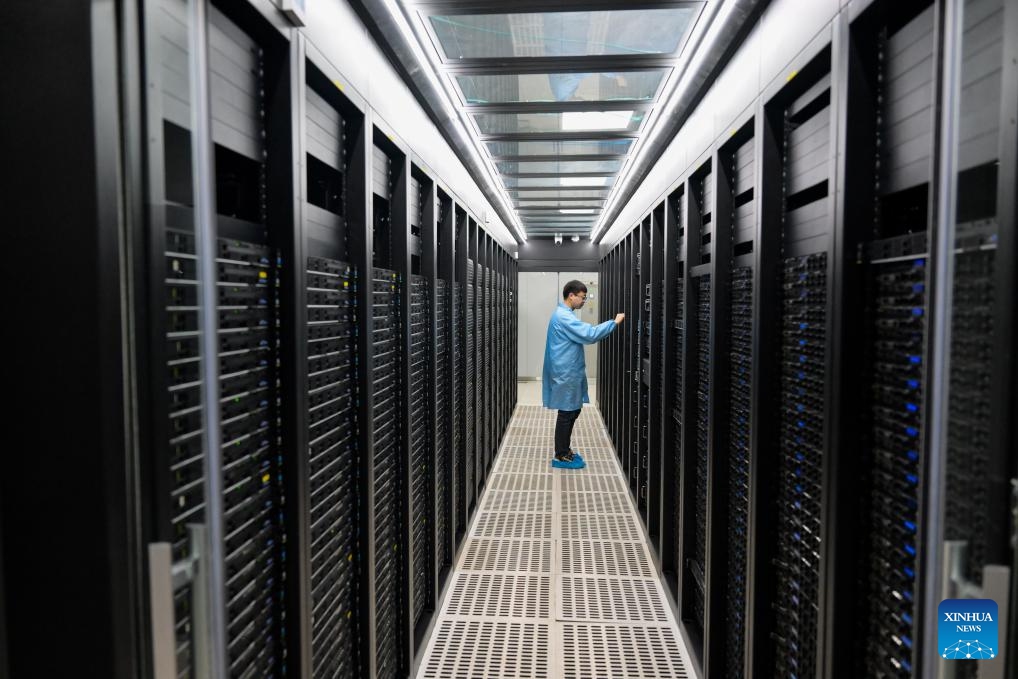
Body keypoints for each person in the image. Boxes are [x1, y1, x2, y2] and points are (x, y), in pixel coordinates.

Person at [543, 280, 625, 469]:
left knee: (572, 410)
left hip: (568, 370)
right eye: (582, 297)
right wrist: (614, 322)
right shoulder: (564, 317)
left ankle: (564, 449)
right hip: (565, 372)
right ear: (571, 295)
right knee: (567, 412)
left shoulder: (565, 314)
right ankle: (561, 454)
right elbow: (589, 334)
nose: (584, 301)